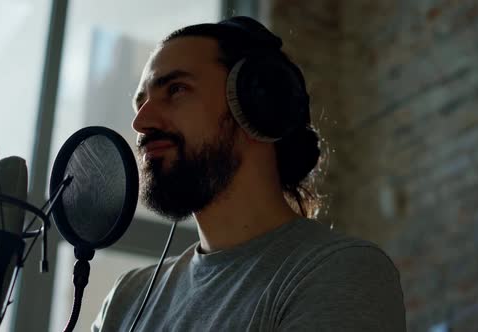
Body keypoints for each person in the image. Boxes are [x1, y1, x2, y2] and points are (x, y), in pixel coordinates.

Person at [92, 16, 406, 331]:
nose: (140, 122)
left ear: (257, 106)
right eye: (140, 103)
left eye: (176, 89)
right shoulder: (127, 299)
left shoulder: (341, 270)